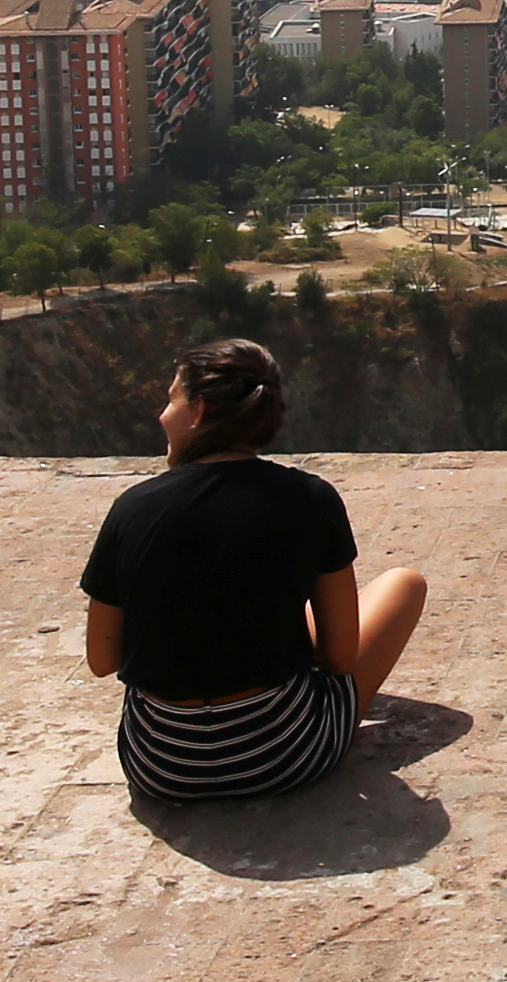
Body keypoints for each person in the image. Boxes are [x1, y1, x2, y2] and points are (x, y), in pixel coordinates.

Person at [81, 339, 430, 803]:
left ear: (200, 410)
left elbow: (103, 661)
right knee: (404, 584)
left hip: (163, 767)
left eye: (171, 399)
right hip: (285, 755)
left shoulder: (132, 509)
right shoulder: (311, 499)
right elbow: (341, 660)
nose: (163, 415)